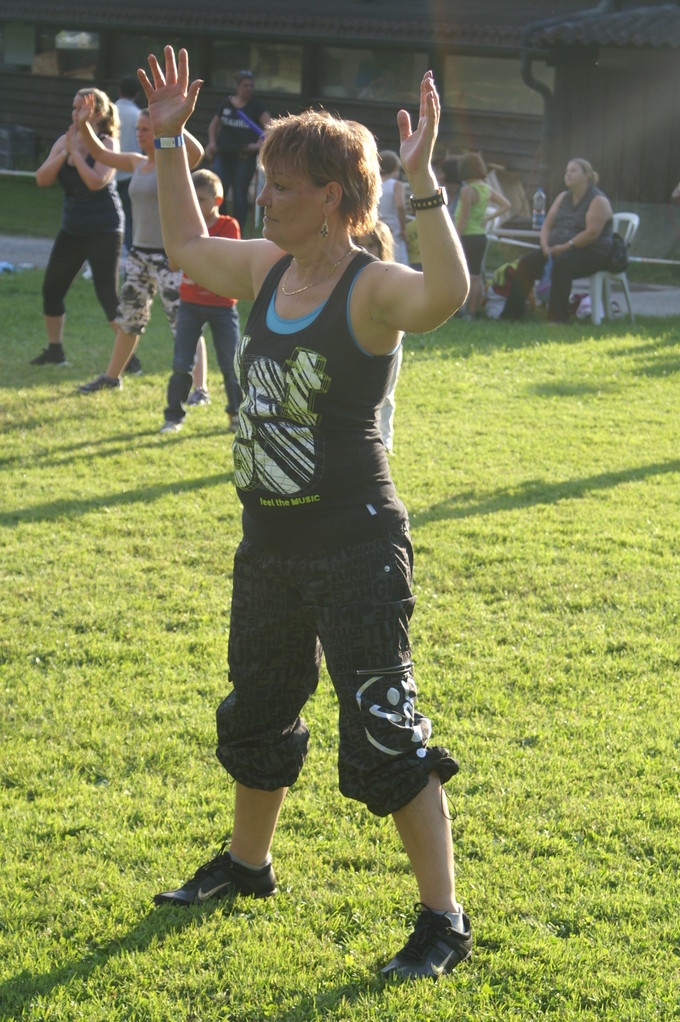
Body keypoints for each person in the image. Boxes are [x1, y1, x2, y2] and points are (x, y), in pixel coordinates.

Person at [139, 45, 471, 982]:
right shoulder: (266, 270)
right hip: (270, 548)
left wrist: (423, 183)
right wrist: (166, 145)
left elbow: (447, 296)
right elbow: (186, 246)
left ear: (332, 197)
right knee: (259, 709)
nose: (264, 198)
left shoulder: (370, 288)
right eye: (262, 181)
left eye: (281, 186)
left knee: (383, 730)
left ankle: (443, 920)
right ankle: (247, 865)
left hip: (356, 547)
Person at [73, 97, 203, 393]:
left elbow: (197, 151)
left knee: (183, 323)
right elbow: (100, 154)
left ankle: (200, 389)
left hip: (170, 257)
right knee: (129, 320)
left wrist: (175, 121)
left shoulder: (175, 164)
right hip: (139, 255)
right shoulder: (137, 163)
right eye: (139, 129)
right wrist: (83, 125)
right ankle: (111, 378)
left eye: (146, 129)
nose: (140, 134)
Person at [30, 88, 123, 367]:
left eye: (81, 108)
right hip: (72, 229)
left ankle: (129, 358)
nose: (74, 114)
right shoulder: (65, 140)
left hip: (104, 229)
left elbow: (95, 182)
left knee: (108, 297)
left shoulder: (107, 143)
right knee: (52, 290)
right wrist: (65, 151)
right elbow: (41, 179)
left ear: (98, 113)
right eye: (73, 108)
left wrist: (77, 155)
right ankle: (55, 351)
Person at [160, 169, 242, 433]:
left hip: (222, 306)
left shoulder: (229, 225)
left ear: (217, 201)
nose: (194, 205)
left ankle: (237, 416)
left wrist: (195, 259)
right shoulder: (183, 225)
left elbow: (228, 261)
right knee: (181, 364)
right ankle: (173, 417)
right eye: (191, 199)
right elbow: (174, 263)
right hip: (190, 304)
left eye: (201, 199)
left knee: (231, 365)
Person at [500, 158, 614, 324]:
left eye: (573, 171)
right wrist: (545, 246)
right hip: (557, 250)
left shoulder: (598, 200)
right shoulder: (563, 197)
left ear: (587, 176)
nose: (568, 174)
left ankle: (558, 318)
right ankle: (511, 315)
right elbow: (547, 225)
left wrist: (565, 247)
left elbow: (592, 233)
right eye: (566, 171)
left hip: (591, 252)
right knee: (526, 263)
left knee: (562, 264)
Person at [205, 70, 271, 236]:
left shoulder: (256, 106)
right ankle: (220, 226)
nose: (248, 89)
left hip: (244, 156)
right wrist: (212, 142)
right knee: (219, 190)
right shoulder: (226, 103)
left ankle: (237, 229)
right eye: (245, 85)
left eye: (251, 86)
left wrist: (258, 144)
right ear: (237, 86)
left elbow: (270, 127)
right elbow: (214, 124)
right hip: (223, 153)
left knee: (240, 193)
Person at [354, 221, 400, 453]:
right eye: (359, 244)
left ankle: (384, 441)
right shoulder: (349, 274)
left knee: (385, 391)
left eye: (370, 245)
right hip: (356, 340)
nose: (364, 250)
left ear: (382, 247)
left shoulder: (392, 277)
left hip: (387, 341)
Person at [454, 152, 510, 319]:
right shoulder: (486, 189)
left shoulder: (467, 190)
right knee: (476, 276)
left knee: (461, 275)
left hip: (466, 236)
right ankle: (471, 312)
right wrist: (488, 218)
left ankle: (458, 309)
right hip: (480, 236)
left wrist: (454, 238)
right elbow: (506, 205)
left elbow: (463, 217)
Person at [115, 75, 141, 256]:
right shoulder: (138, 115)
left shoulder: (109, 111)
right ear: (136, 94)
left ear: (119, 91)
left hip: (108, 170)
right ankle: (132, 252)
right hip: (131, 171)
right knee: (130, 216)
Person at [378, 150, 409, 265]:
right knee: (400, 263)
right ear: (396, 167)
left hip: (378, 229)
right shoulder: (396, 185)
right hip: (394, 230)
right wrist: (403, 229)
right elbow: (400, 206)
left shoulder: (375, 185)